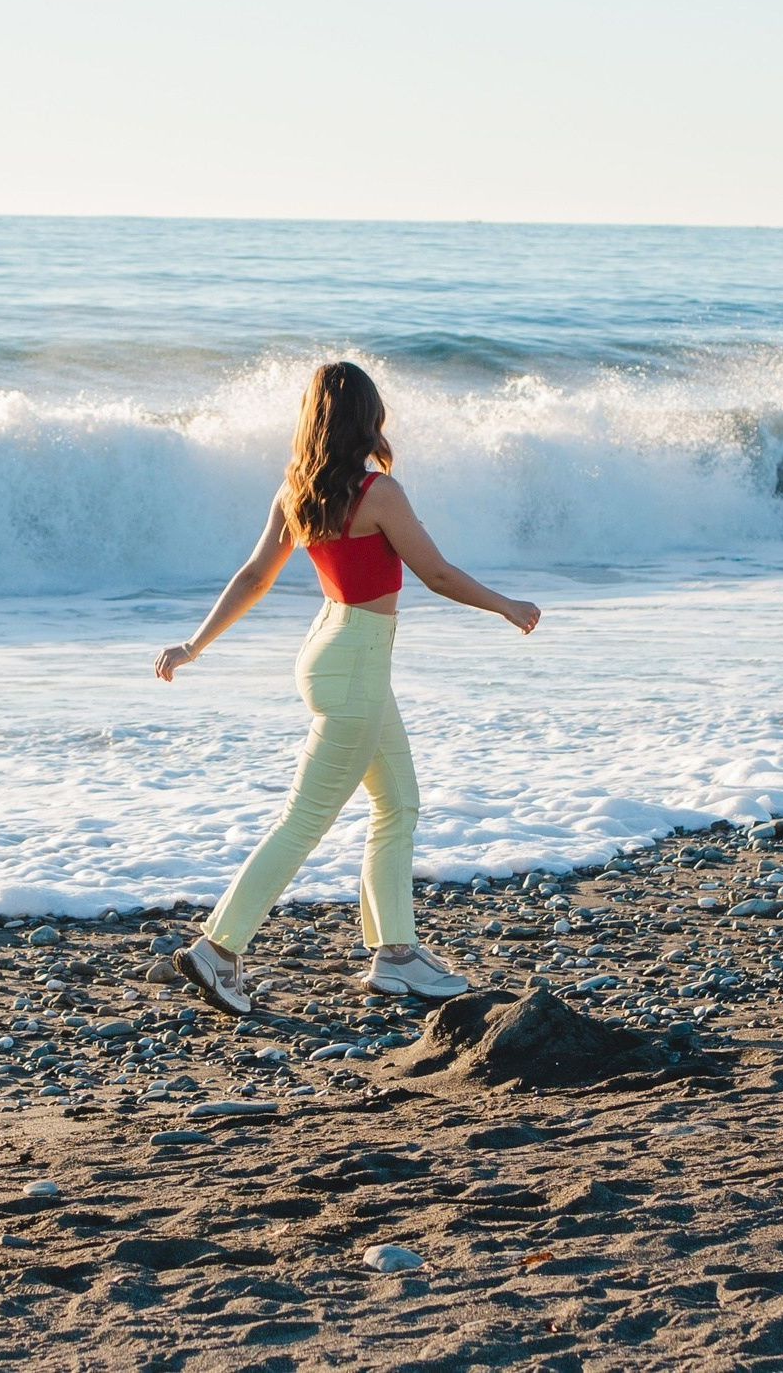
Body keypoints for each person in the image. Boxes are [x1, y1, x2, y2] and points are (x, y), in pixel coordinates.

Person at [154, 360, 541, 1016]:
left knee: (397, 802)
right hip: (357, 666)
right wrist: (506, 605)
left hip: (329, 654)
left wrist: (194, 645)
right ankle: (217, 950)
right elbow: (437, 574)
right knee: (305, 818)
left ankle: (396, 955)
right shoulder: (378, 492)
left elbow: (254, 576)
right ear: (367, 417)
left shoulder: (295, 491)